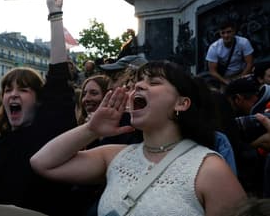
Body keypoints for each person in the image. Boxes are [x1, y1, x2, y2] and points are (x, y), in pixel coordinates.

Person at [31, 60, 246, 216]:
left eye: (153, 82)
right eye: (136, 84)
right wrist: (91, 129)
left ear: (181, 103)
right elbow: (43, 163)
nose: (138, 87)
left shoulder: (210, 169)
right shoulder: (114, 156)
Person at [0, 0, 76, 216]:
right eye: (8, 90)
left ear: (38, 100)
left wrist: (55, 14)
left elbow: (58, 78)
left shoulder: (50, 133)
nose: (13, 95)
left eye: (23, 90)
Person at [206, 20, 254, 88]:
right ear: (220, 33)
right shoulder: (214, 48)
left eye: (229, 32)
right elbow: (212, 71)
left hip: (243, 73)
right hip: (225, 78)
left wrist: (240, 78)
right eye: (223, 33)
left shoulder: (244, 42)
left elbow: (250, 63)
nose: (226, 35)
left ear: (234, 31)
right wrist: (226, 82)